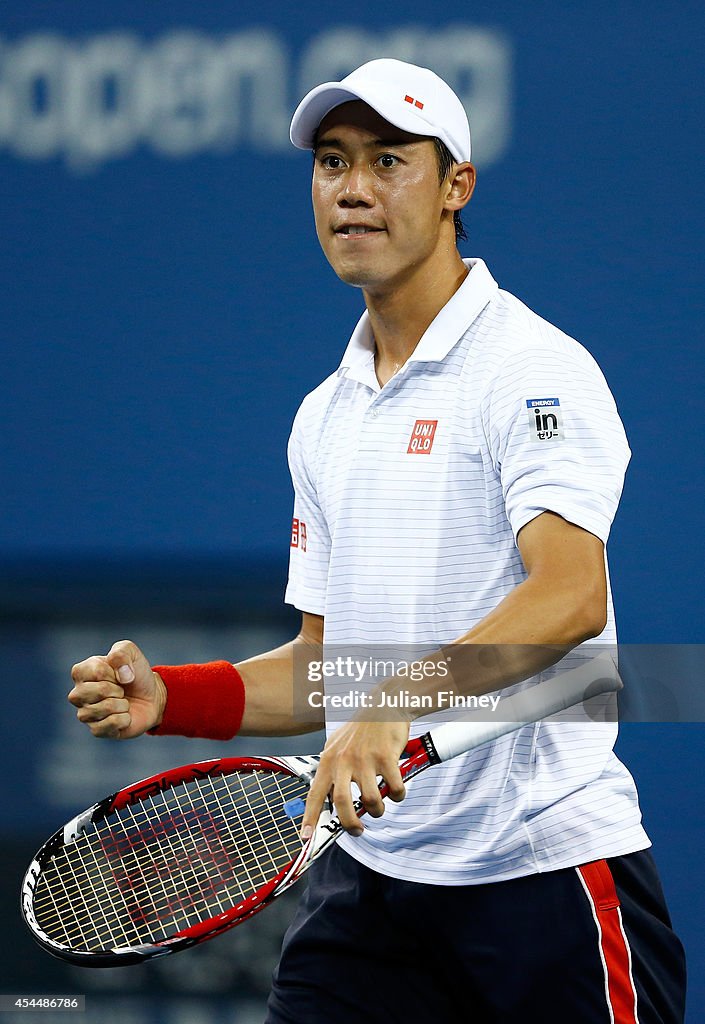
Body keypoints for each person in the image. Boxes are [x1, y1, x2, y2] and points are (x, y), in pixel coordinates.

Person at [68, 59, 686, 1023]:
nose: (352, 188)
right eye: (330, 162)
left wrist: (391, 705)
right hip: (370, 891)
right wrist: (173, 698)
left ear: (455, 187)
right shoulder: (324, 416)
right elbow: (325, 669)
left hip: (540, 875)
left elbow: (570, 596)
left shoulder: (533, 371)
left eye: (388, 160)